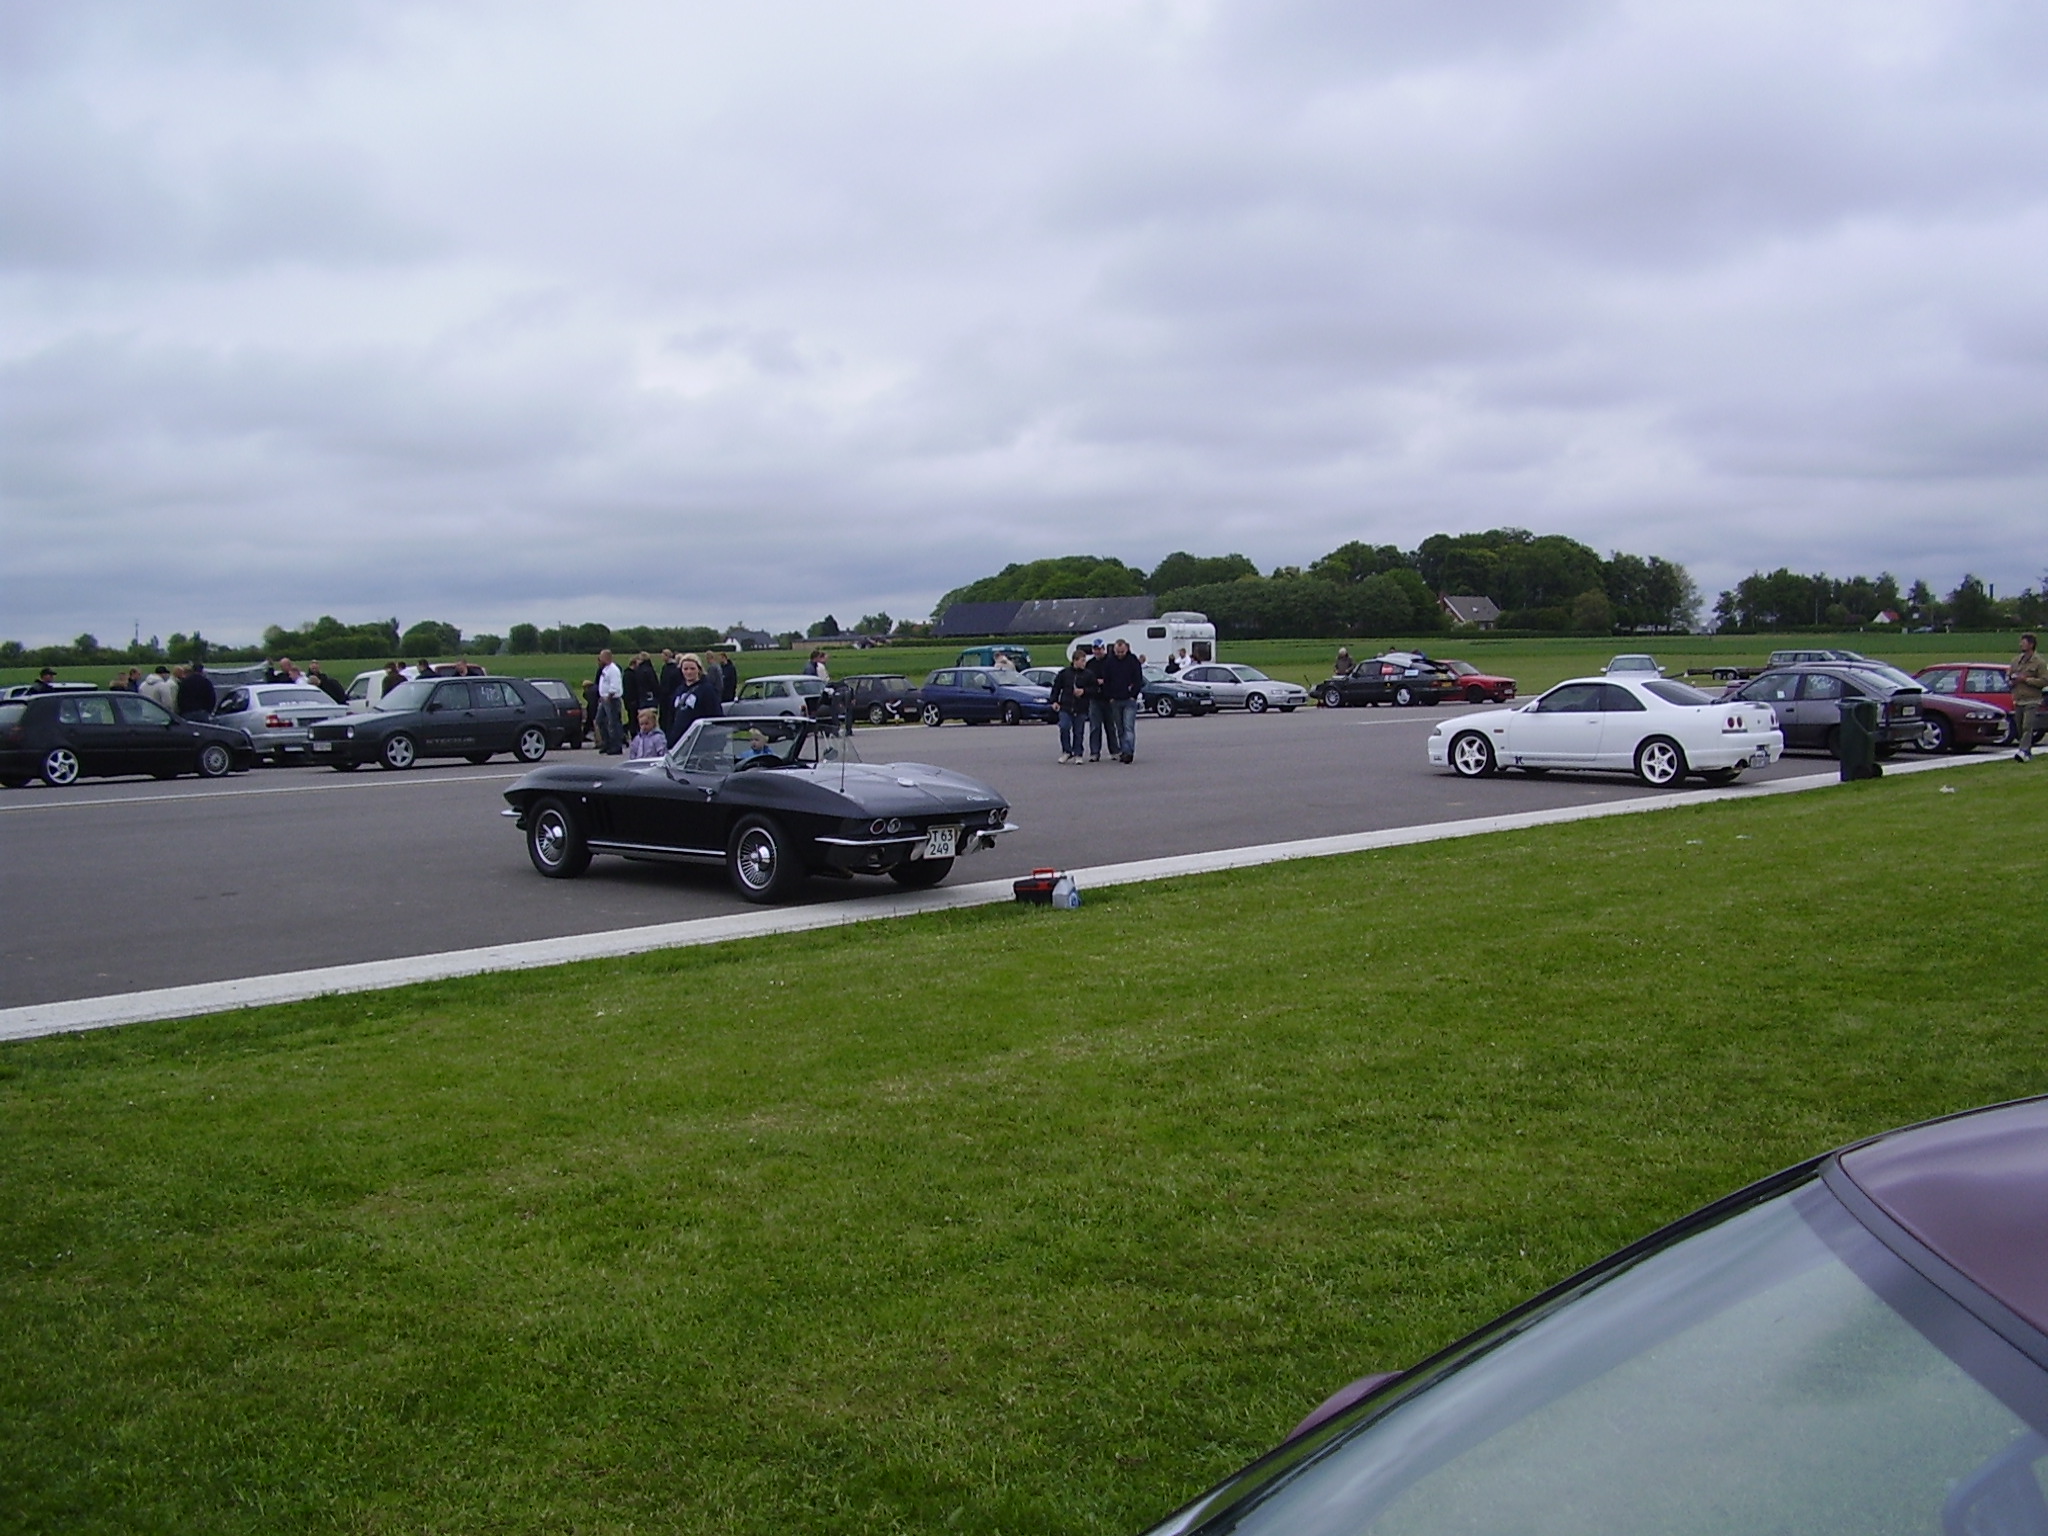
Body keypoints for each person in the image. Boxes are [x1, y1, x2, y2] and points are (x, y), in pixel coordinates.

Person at [1099, 636, 1145, 764]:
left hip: (1129, 700)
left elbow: (1138, 680)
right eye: (1118, 652)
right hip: (1115, 700)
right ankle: (1123, 751)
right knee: (1119, 728)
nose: (1120, 654)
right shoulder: (1110, 662)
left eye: (1122, 652)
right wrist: (1110, 697)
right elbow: (1106, 681)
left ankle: (1129, 752)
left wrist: (1133, 695)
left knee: (1128, 726)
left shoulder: (1133, 661)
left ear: (1127, 649)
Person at [1050, 648, 1093, 763]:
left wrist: (1084, 691)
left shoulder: (1088, 675)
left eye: (1084, 660)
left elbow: (1094, 689)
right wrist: (1054, 701)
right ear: (1075, 661)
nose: (1084, 663)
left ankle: (1078, 753)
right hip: (1066, 706)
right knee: (1064, 727)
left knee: (1078, 732)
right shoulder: (1064, 673)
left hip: (1081, 707)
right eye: (1082, 660)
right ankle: (1067, 751)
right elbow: (1056, 688)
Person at [668, 653, 724, 739]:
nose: (689, 672)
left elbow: (715, 716)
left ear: (699, 669)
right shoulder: (678, 690)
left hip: (699, 739)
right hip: (679, 738)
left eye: (692, 668)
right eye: (685, 669)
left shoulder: (707, 690)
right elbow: (671, 716)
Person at [2012, 632, 2047, 762]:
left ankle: (2023, 751)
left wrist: (2026, 680)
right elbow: (2009, 675)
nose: (2020, 645)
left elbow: (2044, 681)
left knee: (2027, 726)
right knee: (2019, 727)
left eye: (2023, 642)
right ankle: (2027, 751)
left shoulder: (2039, 662)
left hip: (2032, 700)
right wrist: (2011, 680)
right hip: (2018, 699)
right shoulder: (2016, 661)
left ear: (2031, 645)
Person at [594, 647, 625, 754]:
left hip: (611, 699)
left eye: (601, 657)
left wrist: (609, 695)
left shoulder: (613, 670)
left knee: (613, 722)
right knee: (600, 720)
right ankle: (606, 743)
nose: (599, 660)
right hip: (603, 699)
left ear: (606, 657)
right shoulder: (605, 669)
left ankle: (616, 745)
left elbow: (615, 684)